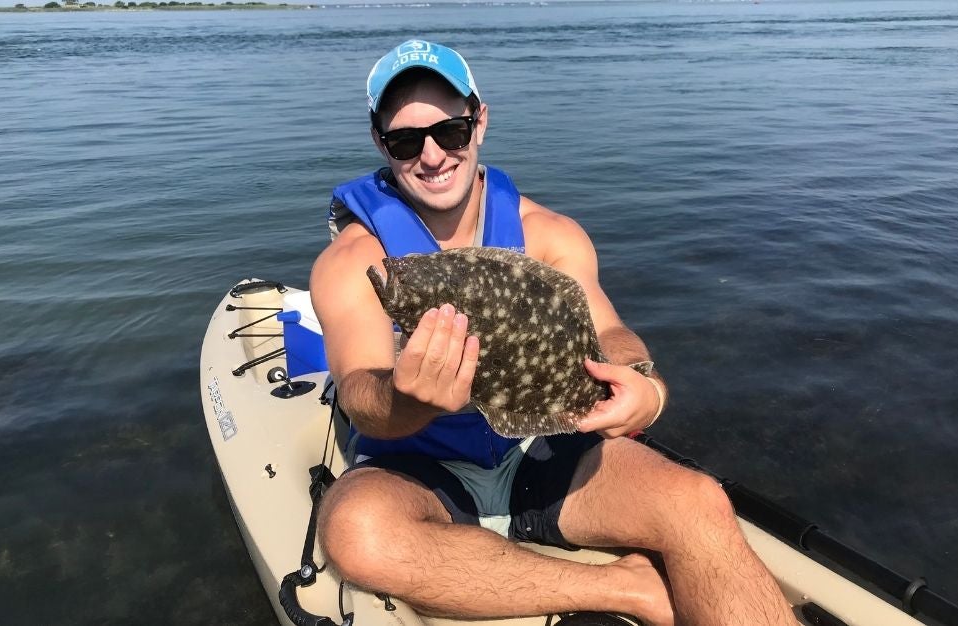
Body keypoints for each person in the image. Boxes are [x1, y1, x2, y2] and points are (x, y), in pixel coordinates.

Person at [311, 39, 795, 626]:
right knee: (354, 533)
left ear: (480, 120)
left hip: (539, 449)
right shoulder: (354, 262)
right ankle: (624, 589)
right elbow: (361, 393)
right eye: (406, 140)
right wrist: (406, 400)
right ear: (379, 141)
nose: (433, 156)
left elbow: (610, 332)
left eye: (451, 131)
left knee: (697, 501)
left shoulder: (551, 235)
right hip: (417, 467)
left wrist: (644, 387)